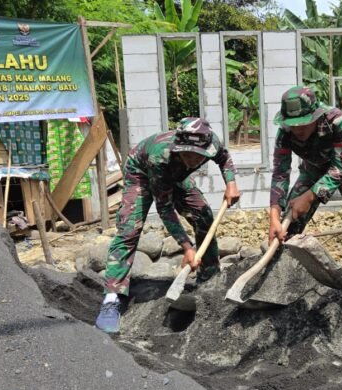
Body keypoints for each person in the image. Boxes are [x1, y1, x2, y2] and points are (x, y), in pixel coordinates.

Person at [96, 117, 240, 333]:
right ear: (178, 148)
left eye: (197, 155)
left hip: (176, 174)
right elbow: (165, 208)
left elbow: (224, 158)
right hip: (141, 172)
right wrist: (187, 247)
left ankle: (209, 277)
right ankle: (112, 298)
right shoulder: (160, 157)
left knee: (203, 215)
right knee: (130, 229)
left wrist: (231, 183)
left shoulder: (211, 142)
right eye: (187, 154)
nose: (192, 160)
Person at [268, 85, 342, 269]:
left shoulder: (336, 120)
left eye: (303, 123)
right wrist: (274, 217)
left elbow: (340, 166)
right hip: (313, 167)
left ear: (315, 116)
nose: (297, 129)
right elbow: (280, 174)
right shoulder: (285, 133)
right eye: (293, 124)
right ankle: (282, 268)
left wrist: (309, 197)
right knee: (291, 216)